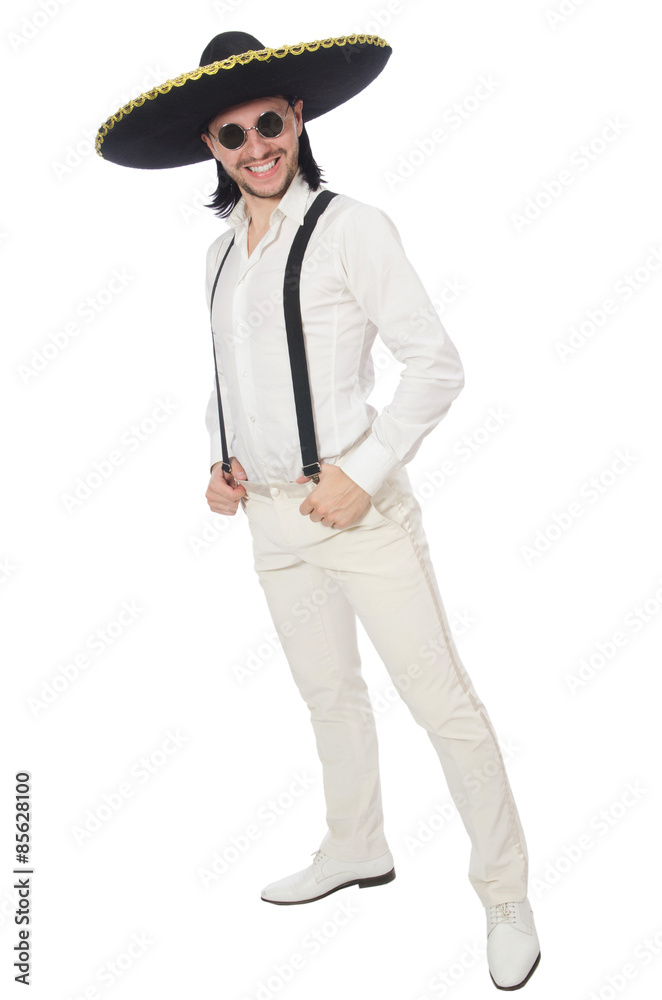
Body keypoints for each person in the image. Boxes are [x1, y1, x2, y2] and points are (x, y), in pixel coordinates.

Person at [95, 30, 541, 991]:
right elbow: (232, 379)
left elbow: (436, 366)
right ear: (211, 146)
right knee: (327, 695)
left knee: (442, 704)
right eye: (232, 133)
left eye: (269, 123)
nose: (255, 145)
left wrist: (365, 471)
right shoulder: (219, 257)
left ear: (296, 119)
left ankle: (506, 895)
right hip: (271, 522)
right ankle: (355, 845)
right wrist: (219, 463)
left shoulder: (353, 228)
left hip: (358, 514)